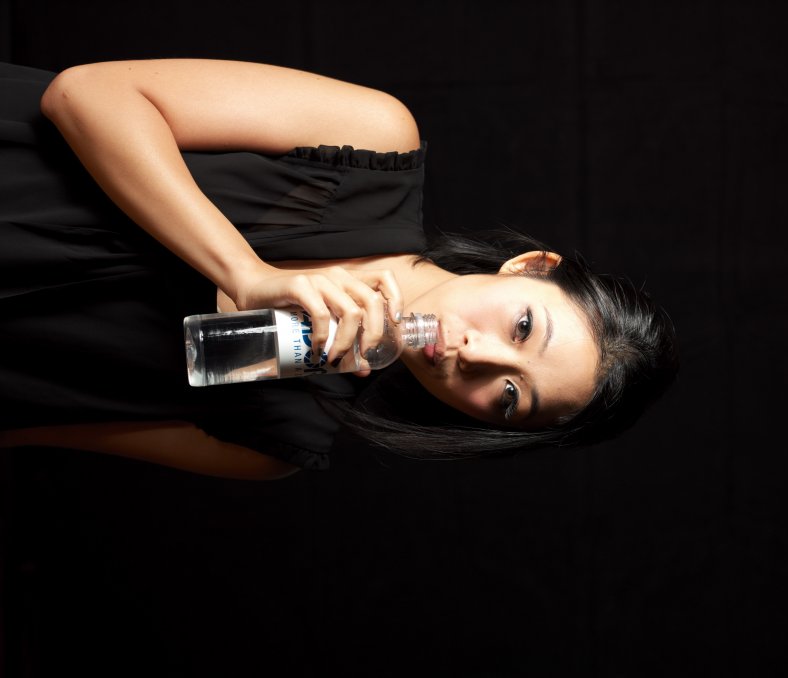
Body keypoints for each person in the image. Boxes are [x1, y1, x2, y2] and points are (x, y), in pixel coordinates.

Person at [0, 59, 677, 479]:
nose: (478, 356)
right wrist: (244, 272)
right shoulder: (372, 142)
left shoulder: (276, 439)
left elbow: (27, 423)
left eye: (508, 397)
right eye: (523, 327)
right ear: (528, 267)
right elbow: (86, 95)